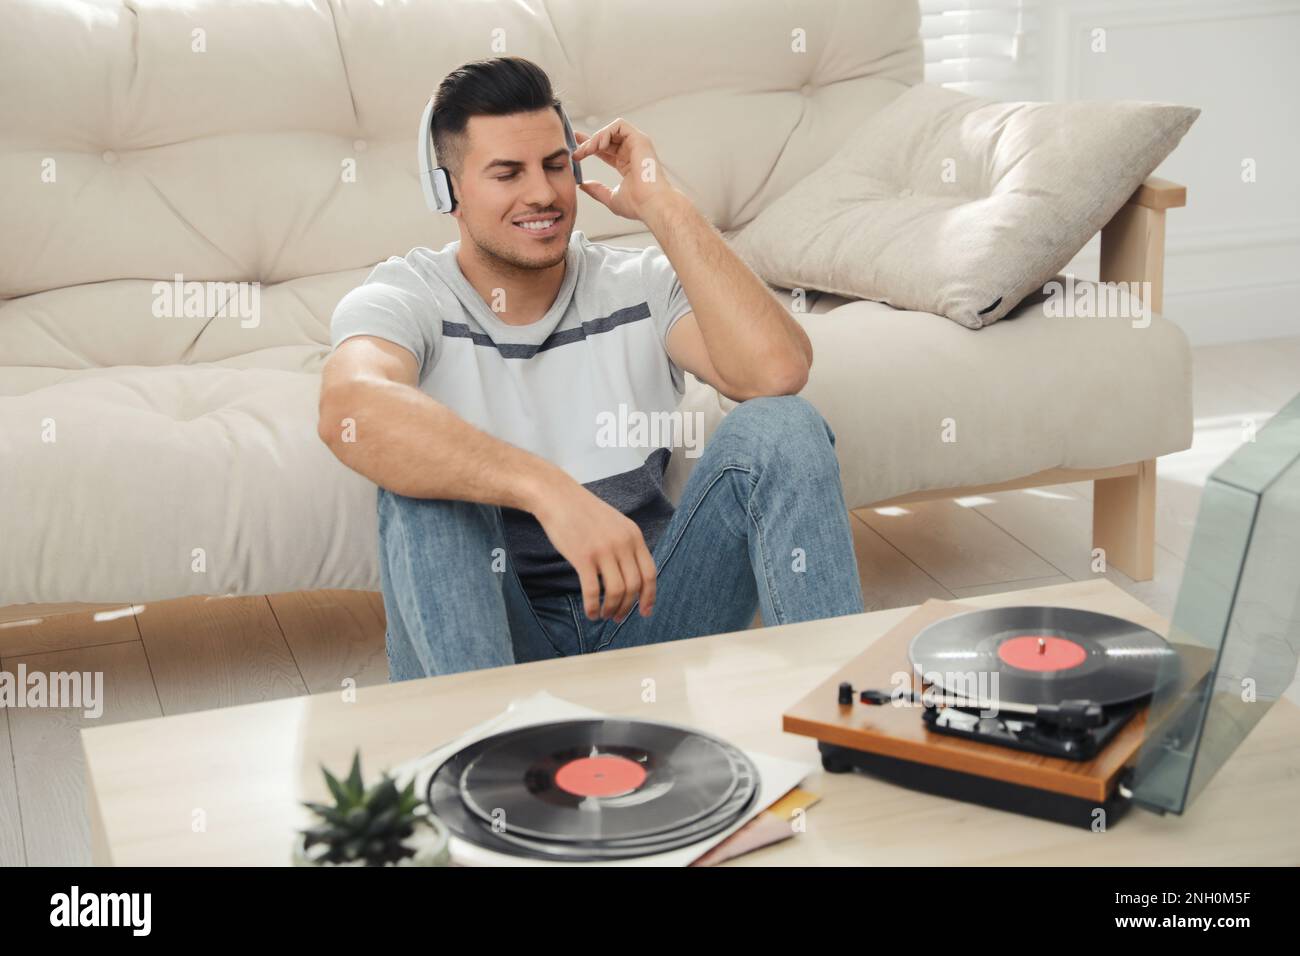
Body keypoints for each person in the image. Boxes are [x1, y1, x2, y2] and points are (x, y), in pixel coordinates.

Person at [319, 56, 863, 680]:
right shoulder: (408, 293)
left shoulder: (638, 285)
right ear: (447, 191)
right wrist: (548, 492)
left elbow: (776, 373)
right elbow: (350, 408)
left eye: (556, 165)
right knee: (424, 492)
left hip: (652, 621)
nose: (544, 194)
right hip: (493, 645)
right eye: (507, 173)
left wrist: (665, 206)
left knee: (783, 428)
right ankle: (485, 758)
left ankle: (843, 728)